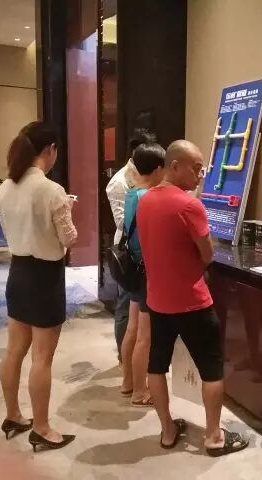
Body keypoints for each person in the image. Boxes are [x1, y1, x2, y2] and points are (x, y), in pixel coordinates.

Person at [137, 140, 249, 456]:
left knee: (157, 365)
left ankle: (167, 431)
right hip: (192, 302)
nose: (201, 176)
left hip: (157, 301)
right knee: (211, 369)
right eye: (197, 169)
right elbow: (207, 253)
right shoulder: (189, 205)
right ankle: (214, 437)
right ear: (175, 166)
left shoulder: (145, 200)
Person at [0, 121, 77, 452]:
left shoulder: (6, 186)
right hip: (45, 277)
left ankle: (13, 415)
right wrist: (68, 209)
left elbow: (7, 231)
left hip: (18, 272)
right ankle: (42, 428)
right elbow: (69, 239)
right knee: (42, 358)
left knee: (14, 351)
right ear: (50, 149)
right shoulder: (51, 190)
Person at [106, 128, 156, 374]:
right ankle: (124, 361)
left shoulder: (143, 178)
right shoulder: (120, 182)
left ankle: (135, 364)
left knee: (138, 314)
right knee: (126, 309)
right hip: (130, 253)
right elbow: (123, 222)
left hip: (145, 252)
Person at [120, 142, 165, 407]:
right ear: (158, 169)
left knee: (132, 329)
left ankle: (127, 382)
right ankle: (140, 391)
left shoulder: (133, 194)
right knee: (145, 337)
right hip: (149, 271)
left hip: (135, 269)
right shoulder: (151, 197)